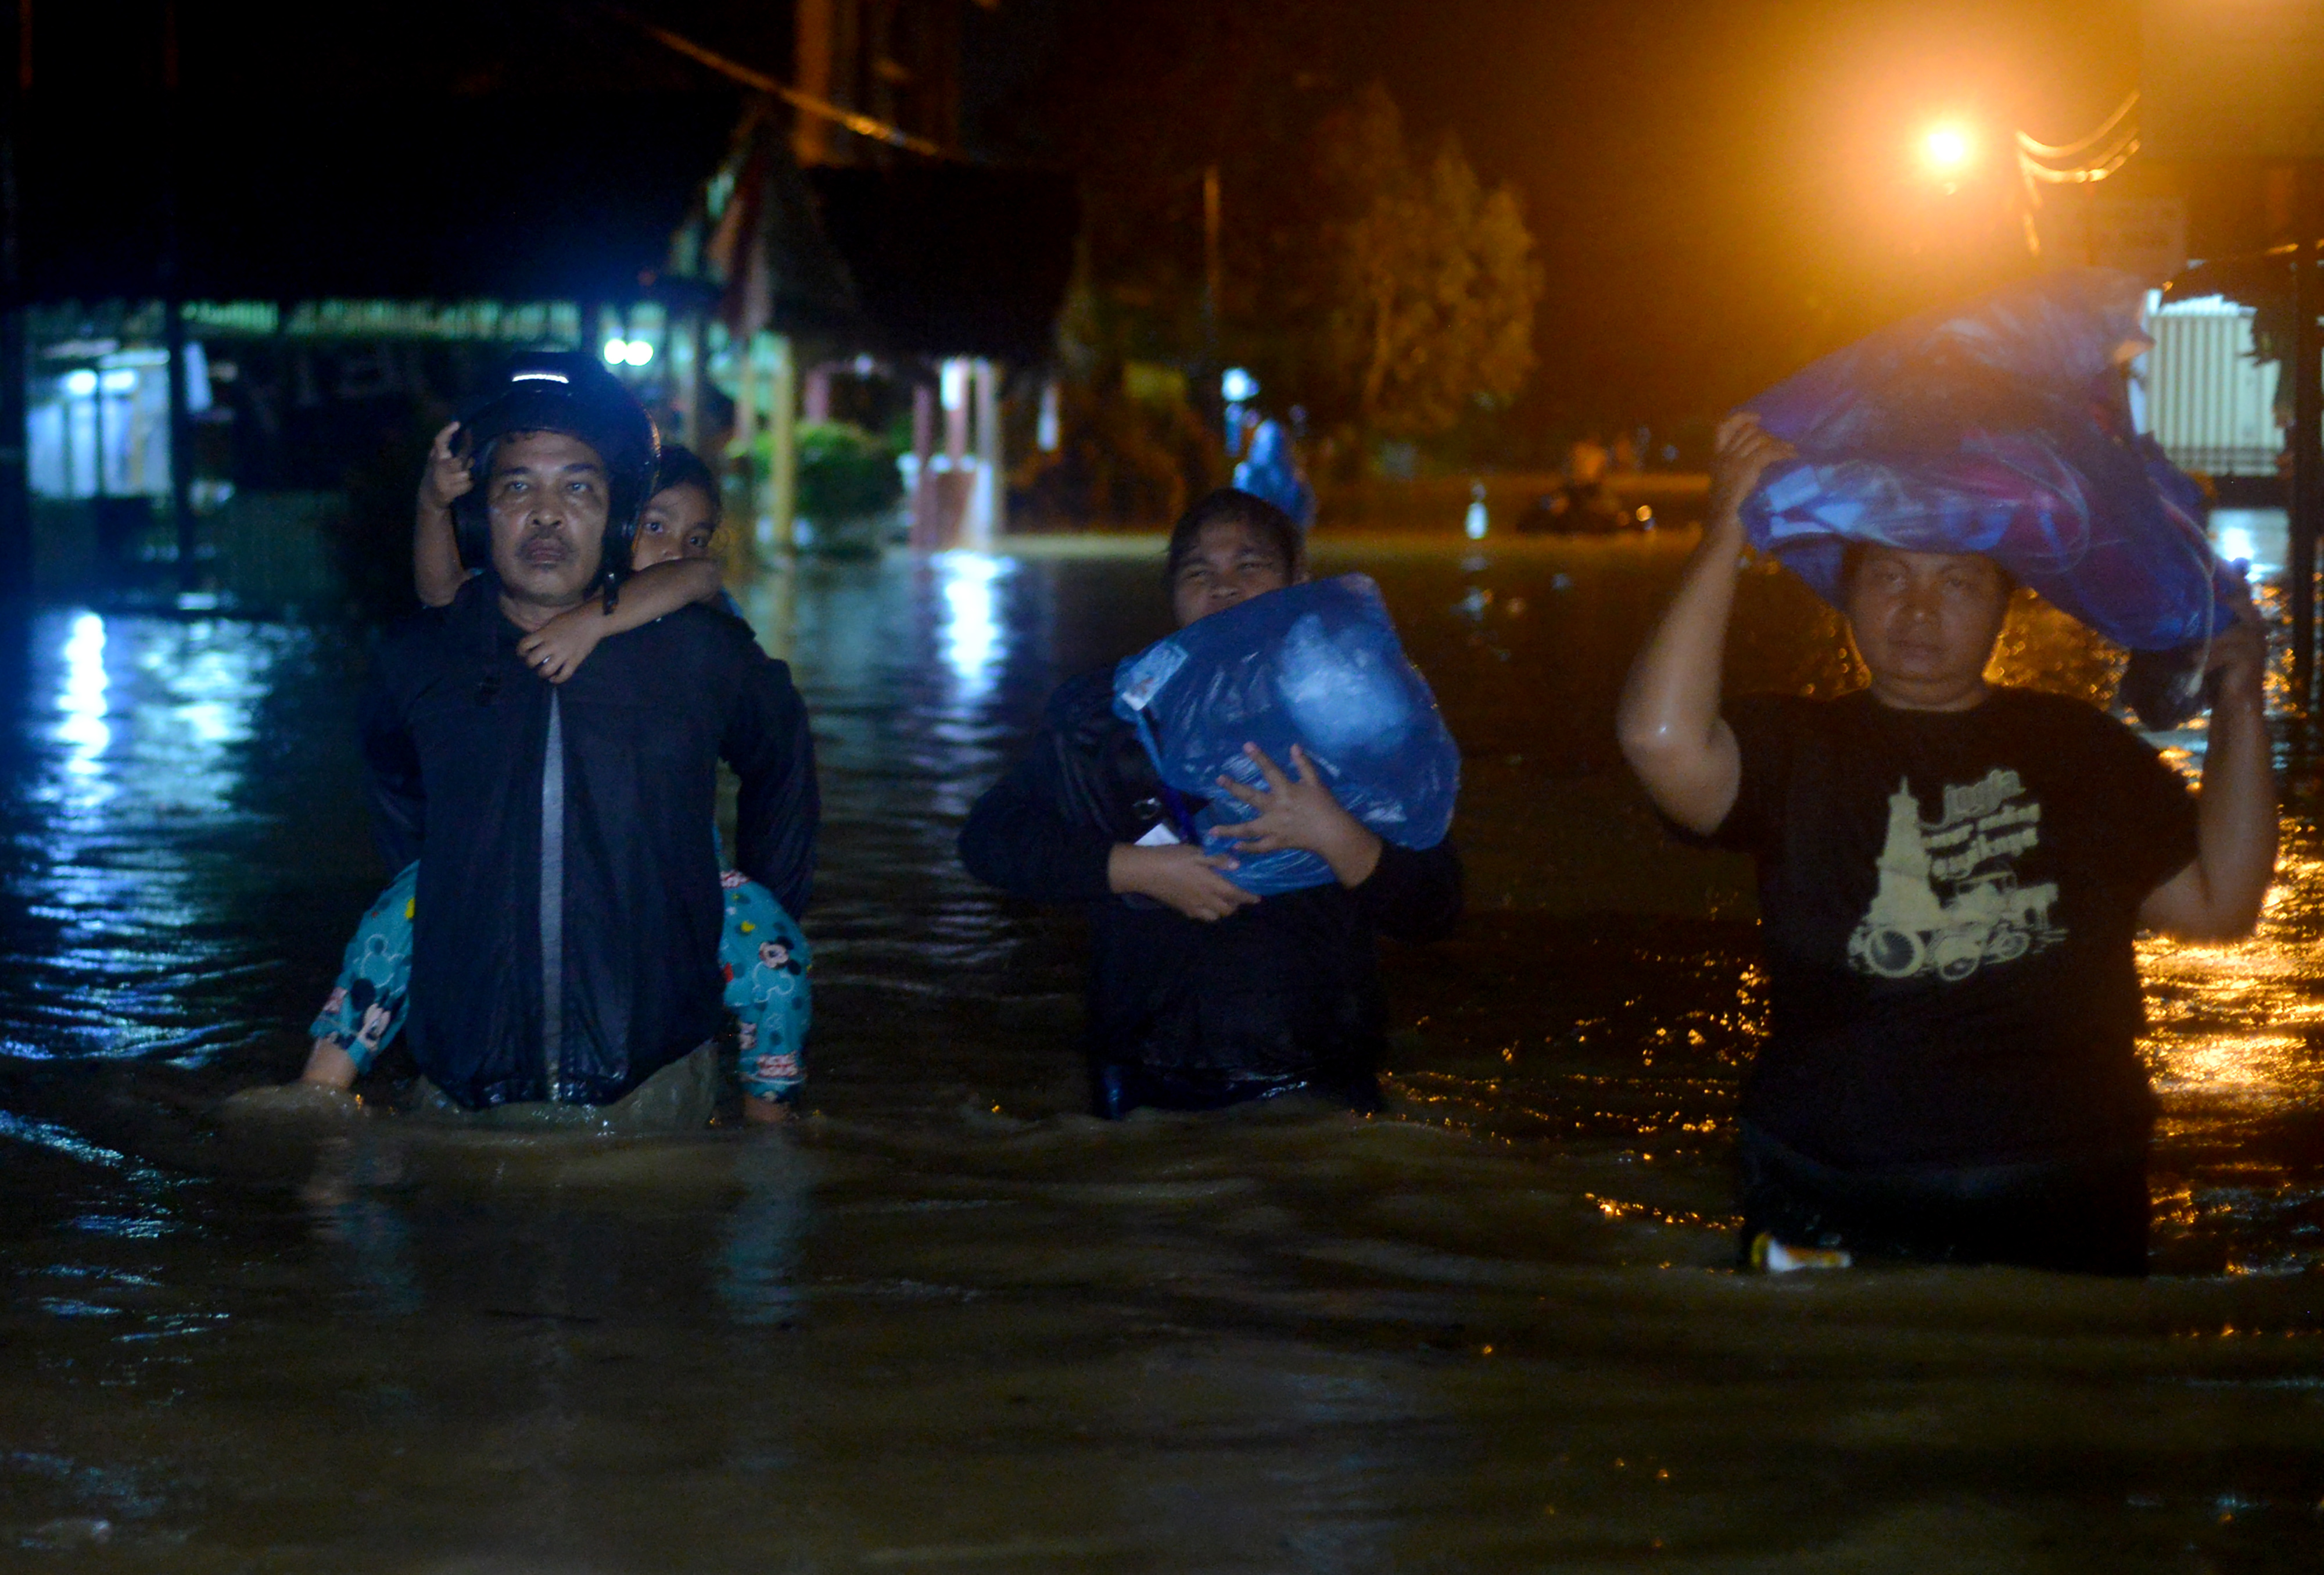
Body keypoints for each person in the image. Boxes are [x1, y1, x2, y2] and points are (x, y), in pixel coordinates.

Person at [1616, 413, 2276, 1275]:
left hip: (2063, 1185)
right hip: (1828, 1185)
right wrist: (1725, 533)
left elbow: (2221, 905)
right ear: (1848, 595)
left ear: (2006, 604)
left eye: (1958, 582)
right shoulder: (1791, 747)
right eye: (1889, 575)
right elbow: (1658, 739)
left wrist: (2242, 704)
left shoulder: (2083, 749)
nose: (1918, 609)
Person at [331, 353, 817, 1126]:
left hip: (655, 1088)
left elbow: (781, 756)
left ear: (617, 515)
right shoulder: (420, 656)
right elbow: (391, 778)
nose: (547, 515)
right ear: (479, 514)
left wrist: (746, 911)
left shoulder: (702, 653)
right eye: (517, 488)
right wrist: (456, 892)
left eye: (579, 489)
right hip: (457, 1094)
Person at [958, 488, 1462, 1117]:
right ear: (1172, 596)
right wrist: (1133, 869)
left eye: (1250, 566)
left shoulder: (1356, 721)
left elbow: (1435, 909)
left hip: (1314, 1082)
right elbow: (990, 840)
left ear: (1300, 584)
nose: (1224, 588)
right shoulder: (1111, 718)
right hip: (1143, 1079)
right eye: (1198, 573)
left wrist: (1337, 836)